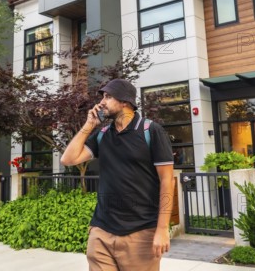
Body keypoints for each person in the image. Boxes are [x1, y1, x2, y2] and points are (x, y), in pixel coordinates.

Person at [61, 78, 174, 271]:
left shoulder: (151, 131)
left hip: (140, 232)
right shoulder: (103, 134)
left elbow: (167, 181)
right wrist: (89, 125)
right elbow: (68, 159)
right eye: (102, 97)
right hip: (101, 232)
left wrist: (162, 229)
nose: (101, 102)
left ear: (125, 101)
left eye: (108, 96)